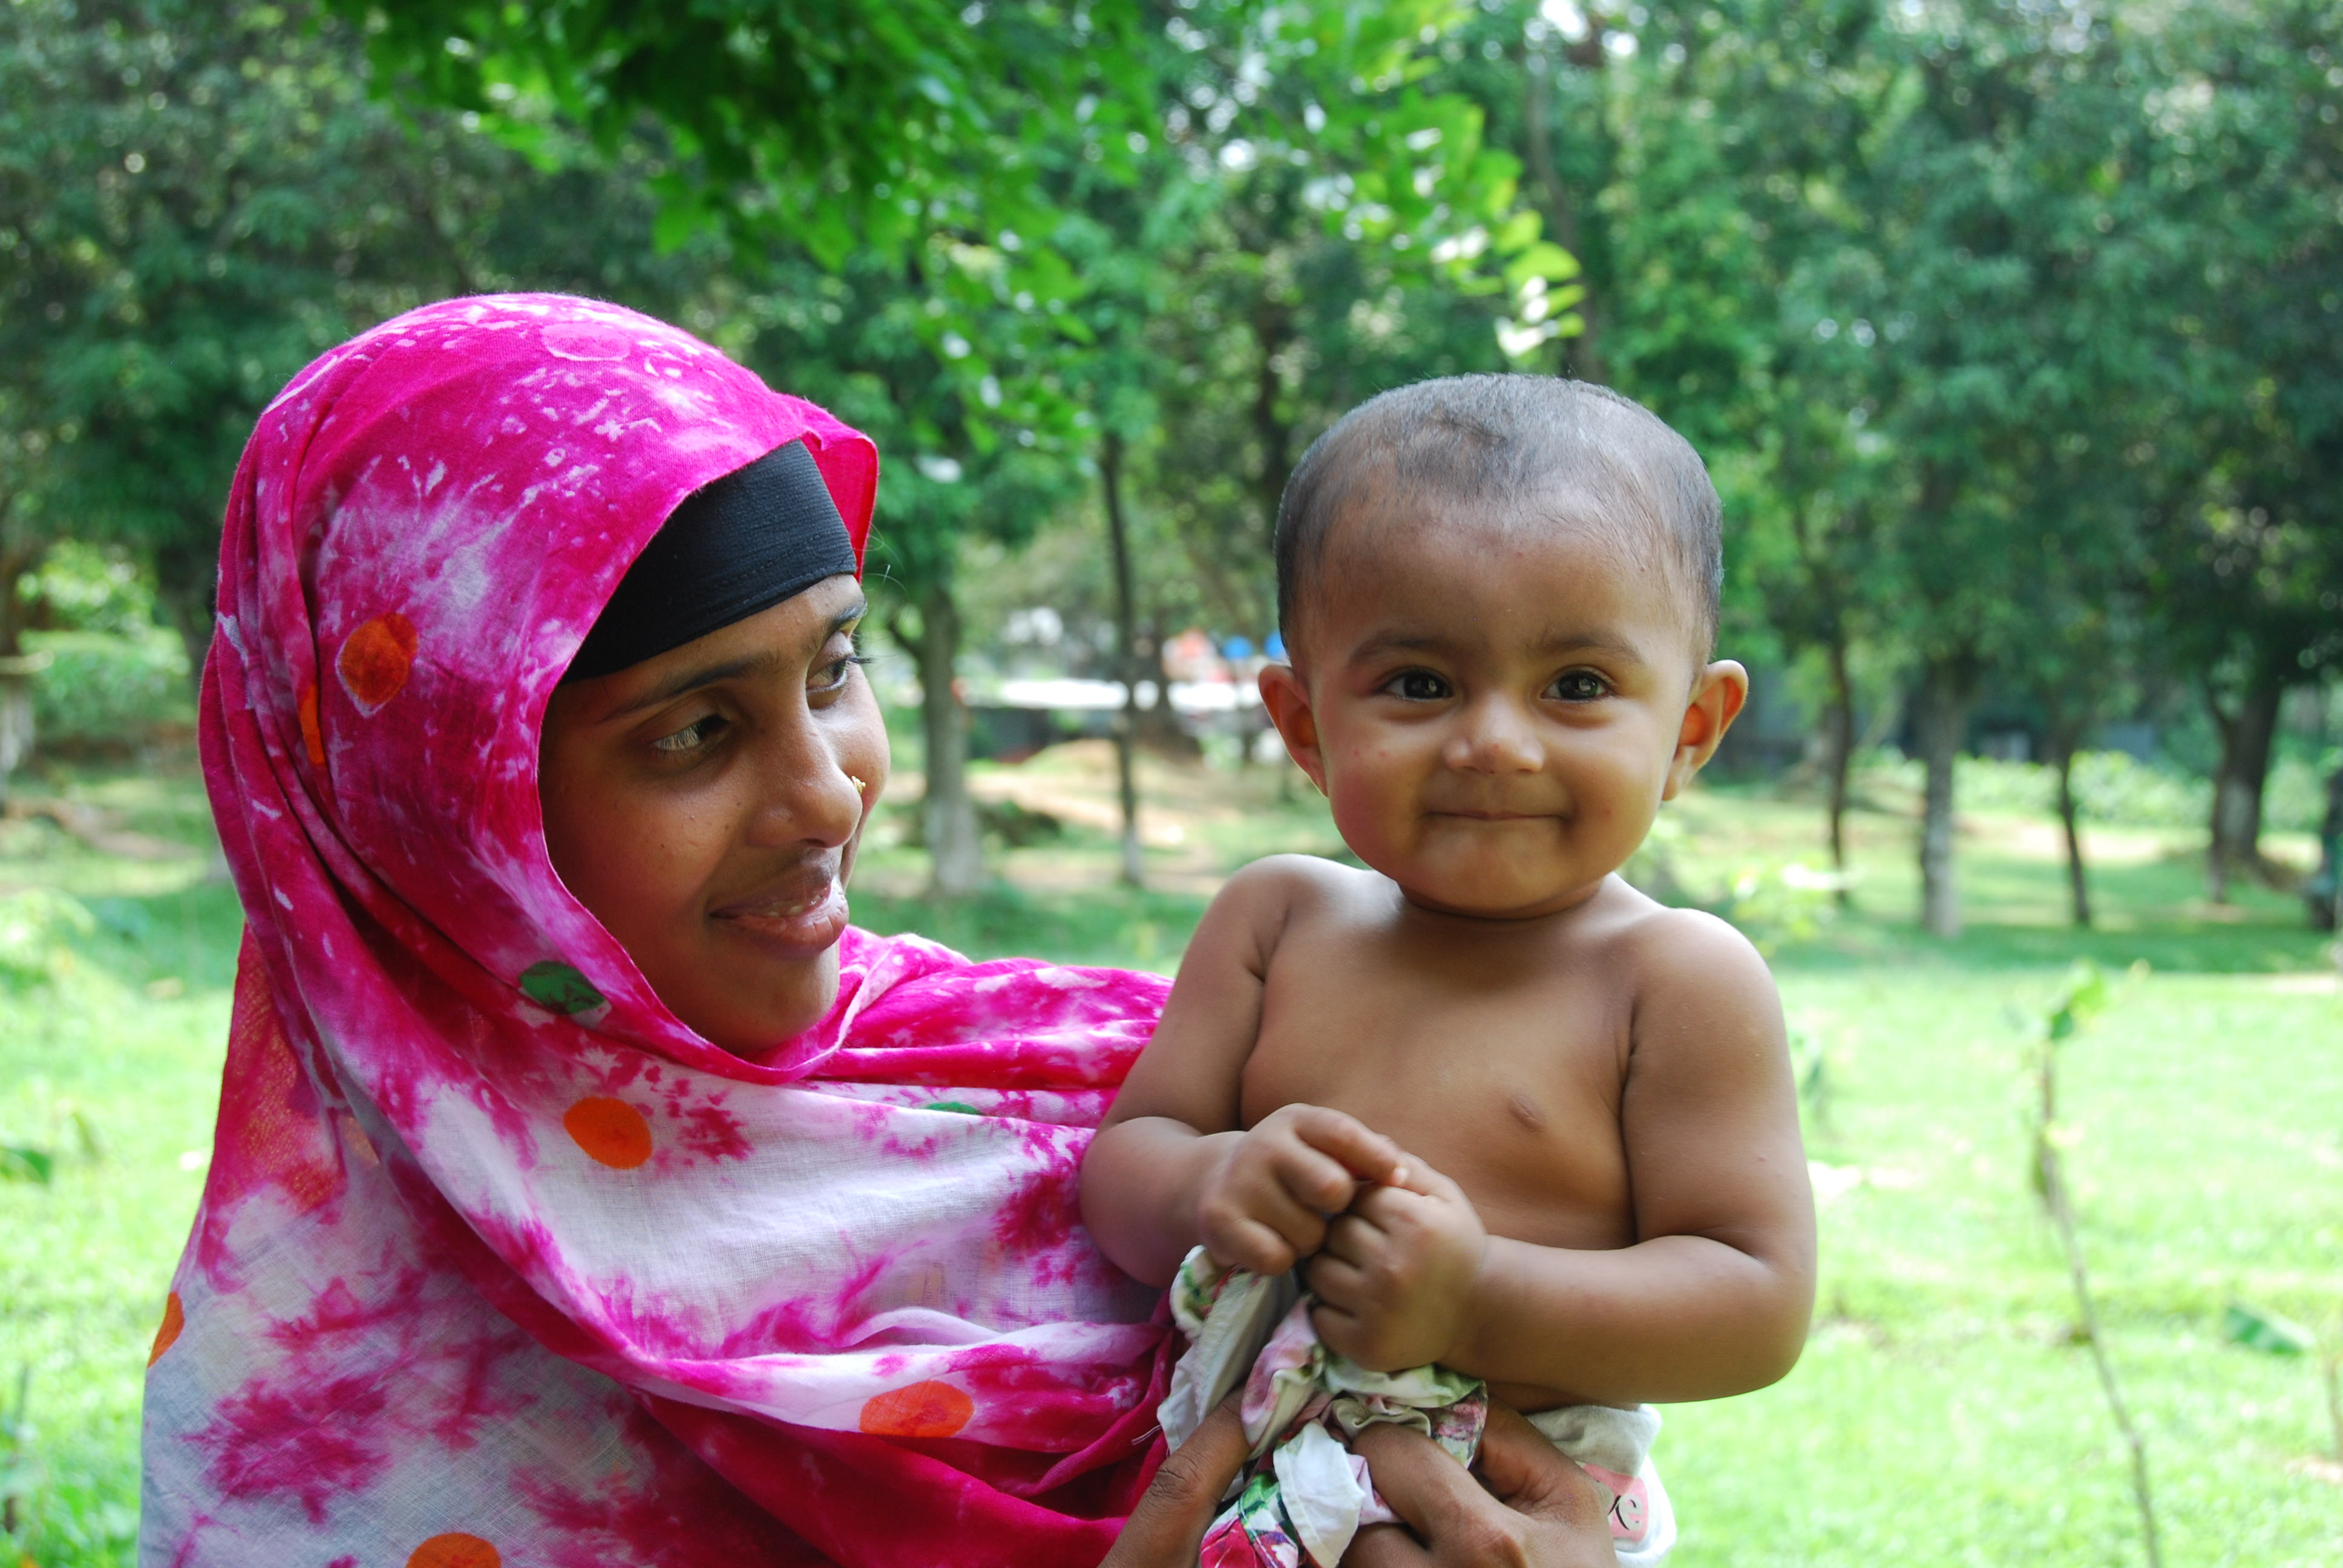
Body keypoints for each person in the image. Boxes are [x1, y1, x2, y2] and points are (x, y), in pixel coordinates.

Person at [140, 295, 1617, 1568]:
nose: (827, 793)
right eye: (692, 733)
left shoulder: (1106, 1082)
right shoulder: (322, 1389)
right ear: (446, 803)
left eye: (835, 669)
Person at [1080, 377, 1819, 1565]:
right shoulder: (1275, 922)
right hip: (1235, 1460)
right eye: (1420, 684)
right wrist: (1208, 1186)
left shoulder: (1674, 979)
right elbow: (1122, 1163)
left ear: (1690, 730)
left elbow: (1755, 1304)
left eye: (1576, 685)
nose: (1493, 742)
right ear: (1305, 726)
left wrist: (1477, 1298)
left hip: (1523, 1498)